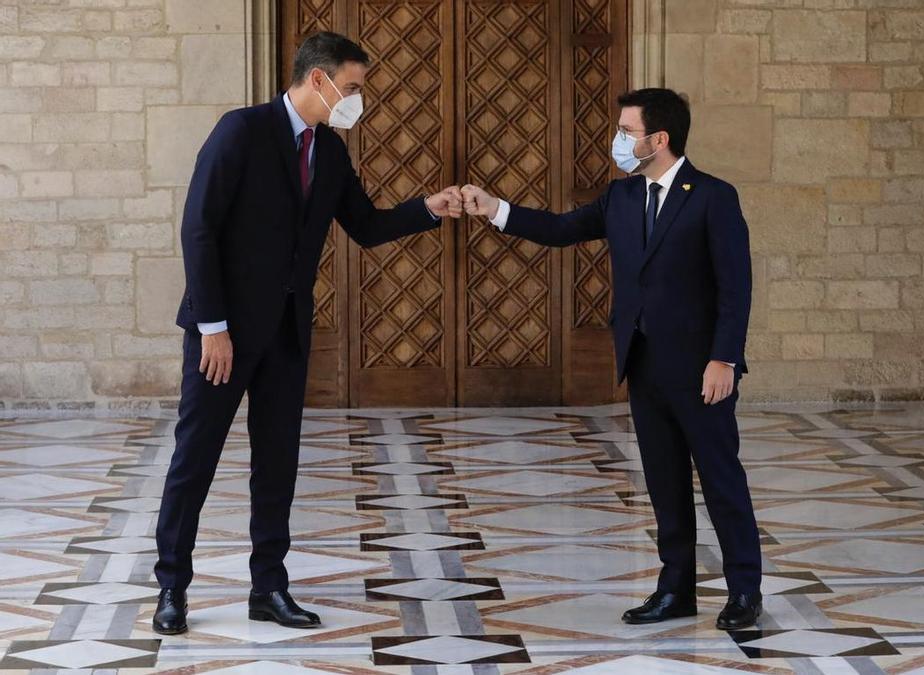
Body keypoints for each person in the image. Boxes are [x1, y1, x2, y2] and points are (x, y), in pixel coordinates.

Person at [152, 31, 462, 635]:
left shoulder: (332, 153)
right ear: (317, 80)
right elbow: (199, 229)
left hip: (288, 334)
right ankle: (172, 587)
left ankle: (269, 585)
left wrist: (431, 206)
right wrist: (213, 327)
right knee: (196, 458)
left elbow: (367, 226)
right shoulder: (240, 131)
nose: (356, 100)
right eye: (351, 88)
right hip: (223, 334)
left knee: (278, 462)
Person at [460, 88, 762, 630]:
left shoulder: (714, 197)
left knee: (720, 480)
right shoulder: (620, 198)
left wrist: (724, 359)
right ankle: (676, 590)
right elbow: (559, 229)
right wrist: (495, 209)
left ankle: (744, 592)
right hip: (643, 364)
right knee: (663, 482)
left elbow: (736, 287)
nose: (619, 141)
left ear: (659, 139)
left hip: (701, 371)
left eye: (627, 131)